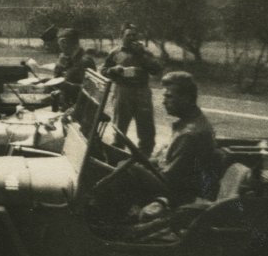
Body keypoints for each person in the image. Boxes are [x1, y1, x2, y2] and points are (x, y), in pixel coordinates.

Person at [90, 71, 220, 222]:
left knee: (123, 169)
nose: (164, 101)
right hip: (175, 182)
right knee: (121, 163)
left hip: (179, 194)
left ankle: (108, 220)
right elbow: (164, 163)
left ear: (187, 98)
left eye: (169, 96)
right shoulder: (189, 123)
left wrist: (134, 166)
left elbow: (169, 180)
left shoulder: (190, 134)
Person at [102, 23, 162, 156]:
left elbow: (156, 70)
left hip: (142, 91)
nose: (132, 38)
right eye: (128, 35)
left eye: (134, 35)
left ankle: (144, 158)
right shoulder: (116, 52)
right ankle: (116, 156)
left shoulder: (144, 52)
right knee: (119, 128)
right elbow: (103, 70)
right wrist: (113, 70)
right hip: (123, 91)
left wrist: (142, 55)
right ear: (122, 36)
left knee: (146, 128)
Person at [53, 27, 96, 107]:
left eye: (62, 45)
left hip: (78, 108)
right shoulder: (70, 58)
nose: (61, 49)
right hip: (66, 104)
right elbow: (57, 77)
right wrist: (59, 65)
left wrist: (67, 86)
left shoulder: (85, 61)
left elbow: (90, 90)